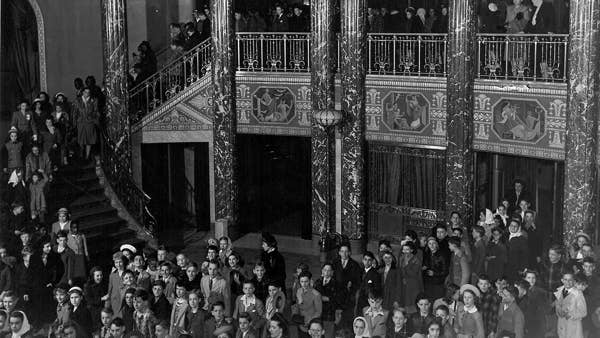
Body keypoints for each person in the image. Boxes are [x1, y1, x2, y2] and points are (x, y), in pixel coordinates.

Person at [333, 244, 362, 328]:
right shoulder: (334, 263)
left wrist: (351, 286)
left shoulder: (355, 265)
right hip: (336, 295)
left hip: (348, 297)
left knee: (345, 320)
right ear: (339, 253)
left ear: (349, 253)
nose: (344, 254)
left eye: (346, 252)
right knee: (335, 320)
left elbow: (358, 282)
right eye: (342, 251)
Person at [555, 272, 587, 338]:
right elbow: (557, 305)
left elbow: (583, 312)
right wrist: (558, 311)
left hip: (573, 325)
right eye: (565, 279)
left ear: (574, 281)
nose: (568, 282)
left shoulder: (578, 293)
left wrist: (571, 315)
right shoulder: (559, 291)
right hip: (562, 324)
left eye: (570, 280)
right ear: (562, 280)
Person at [73, 87, 99, 161]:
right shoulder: (77, 100)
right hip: (80, 122)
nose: (86, 94)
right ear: (82, 92)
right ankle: (81, 154)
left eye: (88, 92)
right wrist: (74, 123)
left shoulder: (93, 100)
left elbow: (96, 111)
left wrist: (93, 118)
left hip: (90, 122)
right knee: (81, 139)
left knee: (89, 140)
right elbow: (74, 113)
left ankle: (87, 156)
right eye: (85, 92)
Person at [314, 263, 339, 338]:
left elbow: (338, 298)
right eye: (325, 270)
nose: (326, 272)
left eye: (329, 270)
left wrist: (328, 298)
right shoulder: (317, 282)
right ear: (322, 271)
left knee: (328, 335)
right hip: (318, 314)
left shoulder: (336, 284)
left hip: (329, 314)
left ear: (332, 272)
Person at [423, 237, 448, 301]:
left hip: (438, 282)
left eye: (433, 243)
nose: (431, 245)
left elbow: (445, 271)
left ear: (437, 244)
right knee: (428, 300)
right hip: (428, 282)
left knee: (437, 300)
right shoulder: (427, 254)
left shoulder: (442, 255)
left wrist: (435, 273)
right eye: (430, 243)